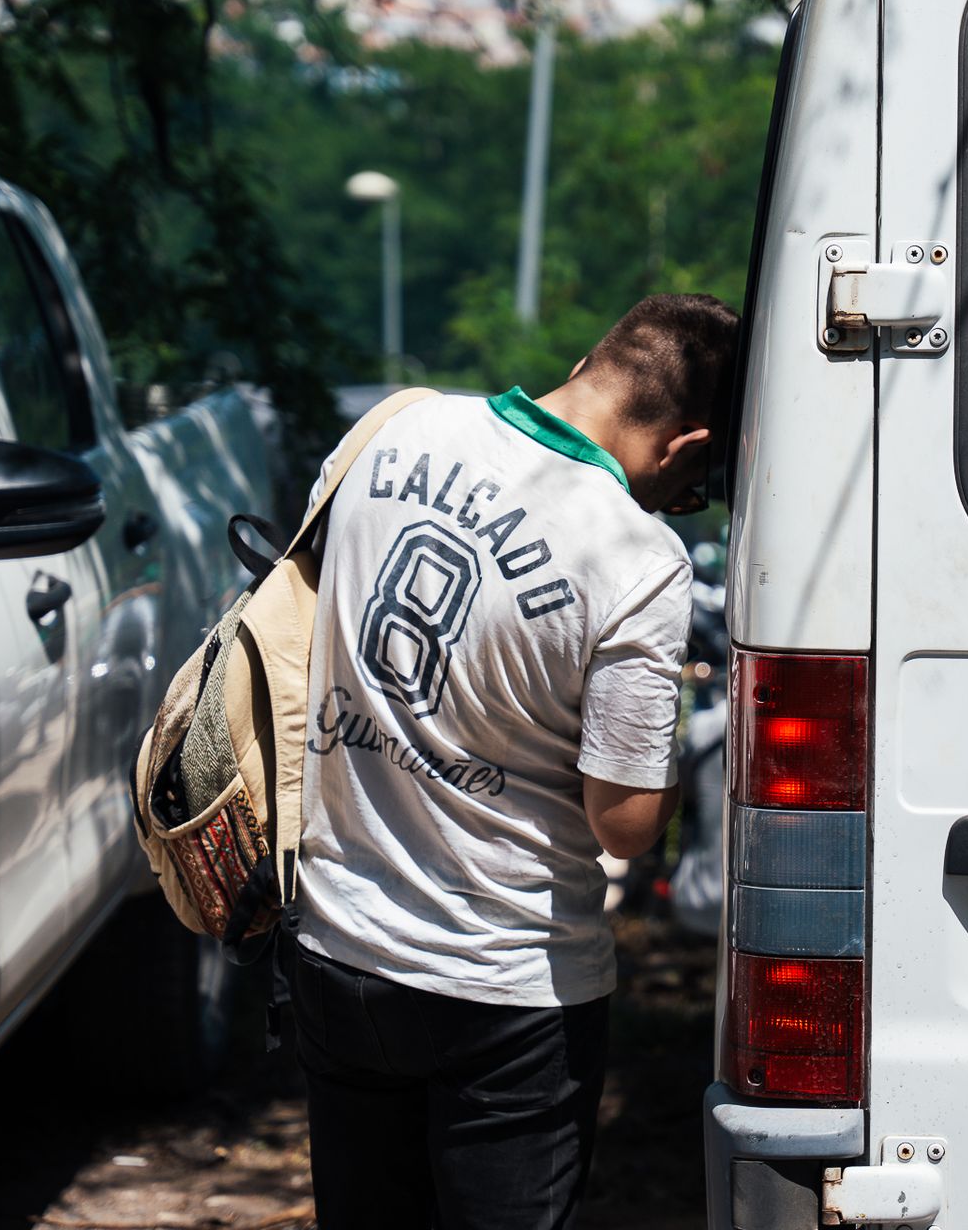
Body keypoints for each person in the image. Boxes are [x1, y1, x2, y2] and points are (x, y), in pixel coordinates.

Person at [286, 293, 739, 1230]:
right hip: (506, 986)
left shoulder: (393, 428)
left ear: (585, 366)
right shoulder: (638, 555)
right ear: (686, 448)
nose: (678, 505)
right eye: (694, 488)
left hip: (338, 943)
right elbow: (624, 822)